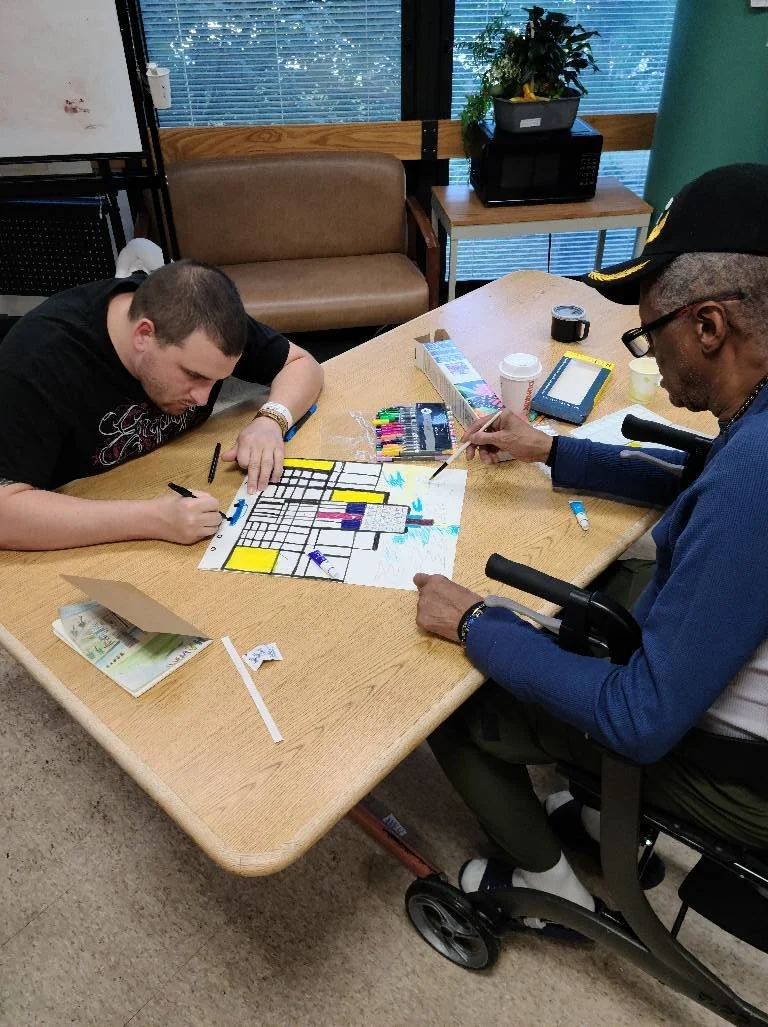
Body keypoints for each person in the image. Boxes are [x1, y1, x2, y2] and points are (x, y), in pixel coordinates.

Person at [413, 162, 768, 938]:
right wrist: (550, 450)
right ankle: (599, 804)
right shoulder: (755, 425)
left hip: (751, 782)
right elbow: (701, 474)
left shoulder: (757, 483)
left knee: (450, 697)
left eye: (649, 332)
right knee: (612, 591)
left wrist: (476, 622)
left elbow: (640, 715)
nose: (650, 351)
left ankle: (555, 897)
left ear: (710, 326)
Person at [0, 259, 323, 551]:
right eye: (193, 376)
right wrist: (153, 518)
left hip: (163, 475)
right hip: (73, 527)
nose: (204, 398)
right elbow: (5, 513)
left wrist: (271, 419)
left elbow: (299, 362)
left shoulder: (203, 317)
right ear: (144, 335)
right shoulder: (36, 362)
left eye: (216, 381)